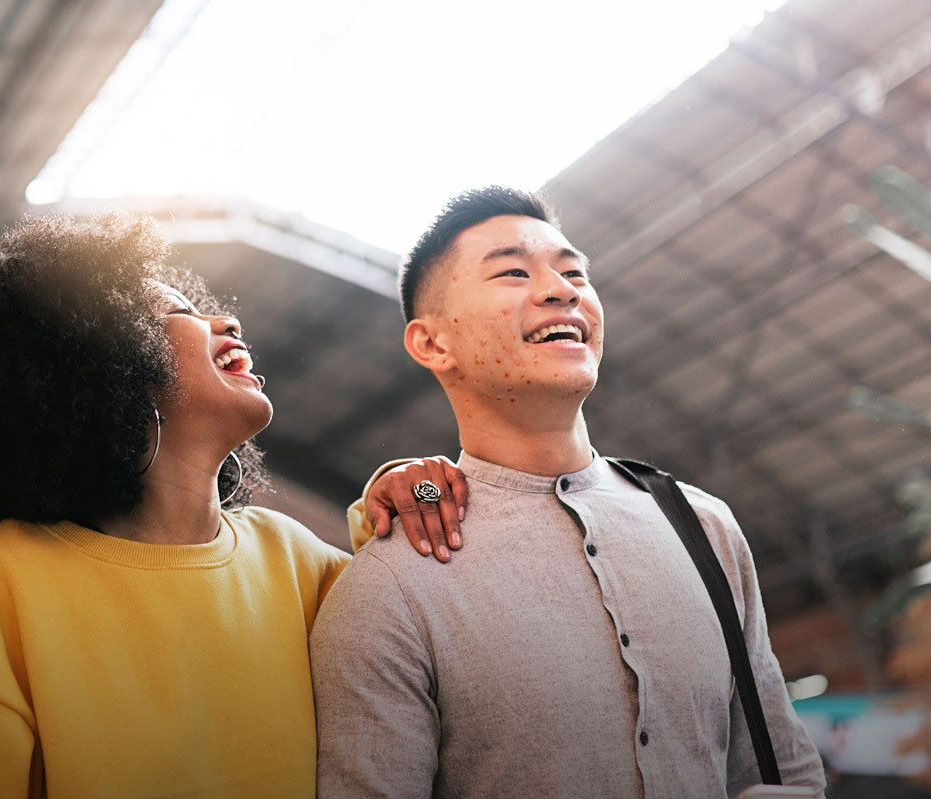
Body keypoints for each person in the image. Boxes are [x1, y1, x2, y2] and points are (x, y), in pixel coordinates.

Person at [310, 186, 825, 798]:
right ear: (431, 343)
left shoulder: (704, 527)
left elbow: (782, 769)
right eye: (511, 272)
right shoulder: (387, 591)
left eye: (574, 269)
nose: (561, 289)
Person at [0, 213, 347, 797]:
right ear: (107, 363)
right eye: (179, 314)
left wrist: (416, 485)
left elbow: (419, 591)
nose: (226, 318)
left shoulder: (297, 558)